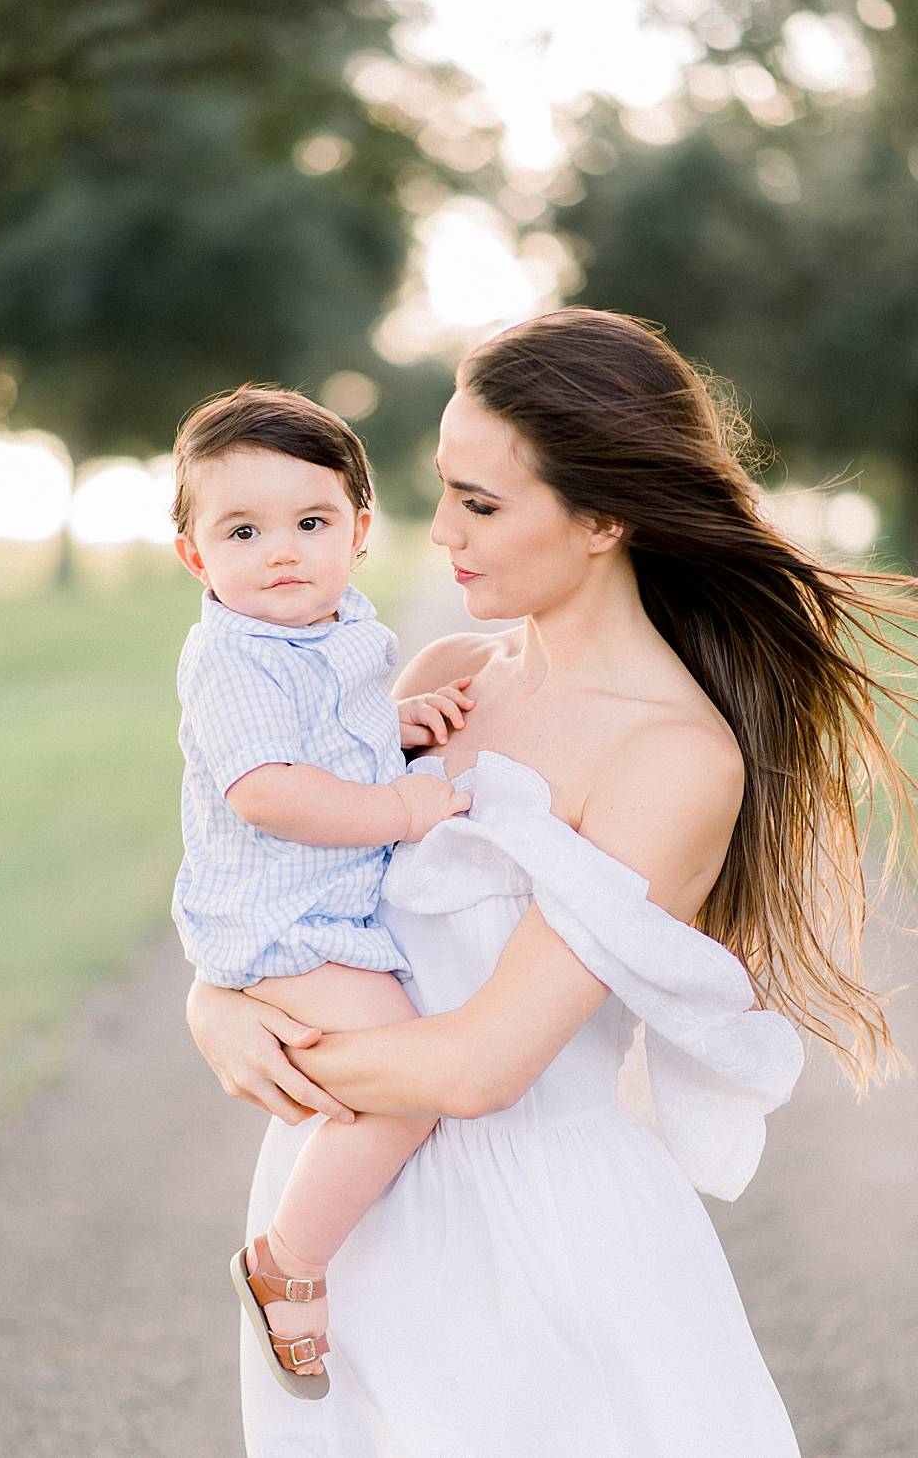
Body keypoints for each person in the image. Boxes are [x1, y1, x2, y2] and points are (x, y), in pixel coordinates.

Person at [188, 308, 908, 1456]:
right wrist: (214, 997)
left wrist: (251, 1046)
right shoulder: (442, 677)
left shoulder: (670, 758)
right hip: (345, 1217)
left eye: (479, 504)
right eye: (442, 493)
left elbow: (479, 1066)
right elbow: (287, 892)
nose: (440, 536)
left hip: (533, 1240)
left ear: (603, 516)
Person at [167, 385, 476, 1395]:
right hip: (283, 923)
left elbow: (334, 733)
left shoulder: (339, 629)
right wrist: (402, 805)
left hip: (326, 912)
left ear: (357, 529)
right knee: (403, 1087)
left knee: (389, 1076)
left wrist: (399, 722)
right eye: (242, 530)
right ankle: (283, 1261)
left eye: (309, 523)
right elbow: (270, 792)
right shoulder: (230, 656)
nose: (281, 551)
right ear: (194, 555)